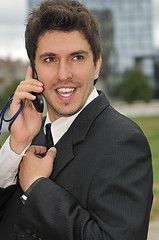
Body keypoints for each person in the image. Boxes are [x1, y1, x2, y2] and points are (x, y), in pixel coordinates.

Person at [0, 0, 153, 239]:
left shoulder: (124, 142)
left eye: (77, 57)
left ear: (97, 65)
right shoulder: (29, 135)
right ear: (34, 70)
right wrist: (15, 146)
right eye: (50, 59)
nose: (64, 74)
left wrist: (37, 188)